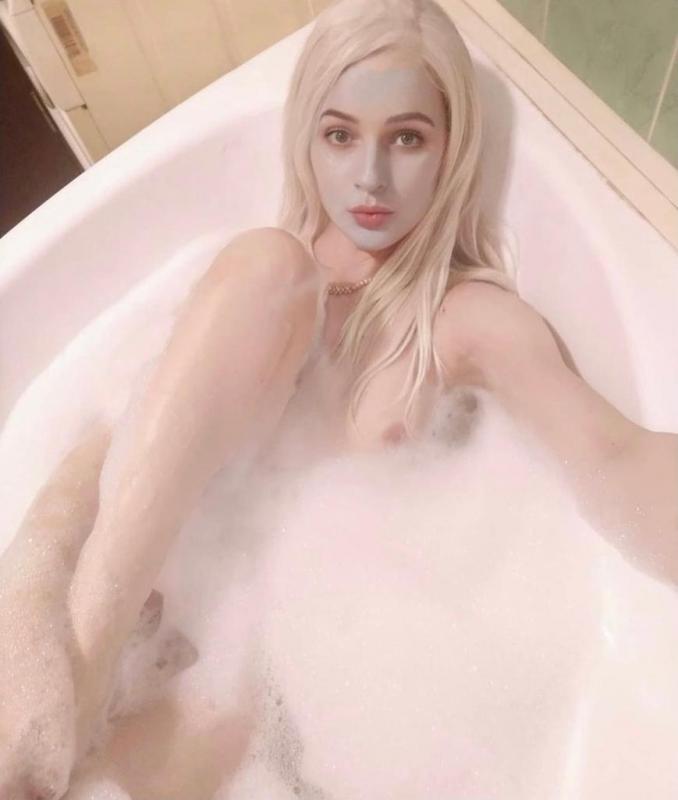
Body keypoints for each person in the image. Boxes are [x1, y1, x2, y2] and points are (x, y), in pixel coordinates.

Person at [1, 0, 676, 796]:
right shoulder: (257, 271)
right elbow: (117, 443)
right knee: (268, 265)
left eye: (408, 138)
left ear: (452, 149)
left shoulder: (465, 322)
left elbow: (614, 456)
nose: (371, 177)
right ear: (306, 140)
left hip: (259, 668)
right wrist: (42, 600)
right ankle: (70, 685)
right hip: (116, 598)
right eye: (341, 135)